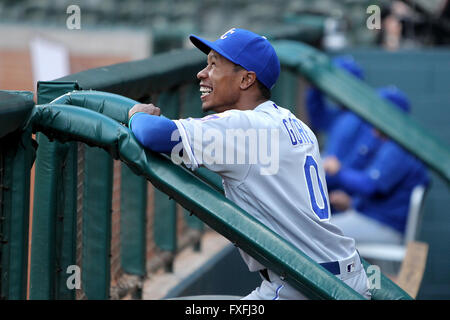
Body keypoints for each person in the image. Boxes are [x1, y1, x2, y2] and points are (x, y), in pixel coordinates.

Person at [128, 28, 370, 300]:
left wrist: (135, 113)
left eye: (214, 65)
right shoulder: (294, 123)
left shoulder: (245, 127)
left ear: (246, 79)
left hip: (305, 285)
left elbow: (152, 133)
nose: (202, 73)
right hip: (345, 275)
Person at [325, 86, 429, 245]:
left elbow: (370, 185)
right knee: (321, 228)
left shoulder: (398, 148)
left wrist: (339, 171)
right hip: (377, 219)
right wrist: (352, 204)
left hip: (386, 227)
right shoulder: (392, 143)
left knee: (320, 233)